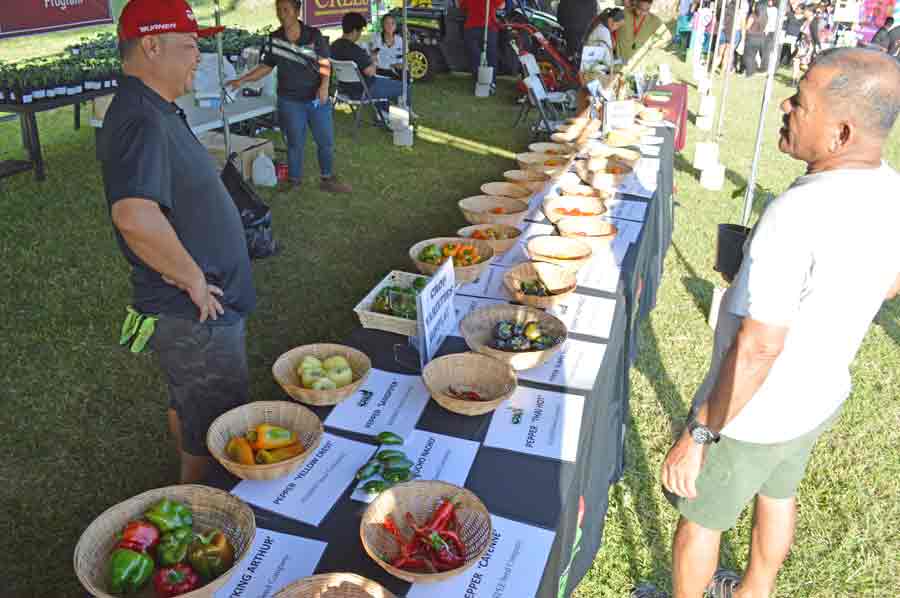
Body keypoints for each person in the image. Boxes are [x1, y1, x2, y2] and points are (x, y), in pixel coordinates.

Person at [656, 47, 900, 598]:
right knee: (778, 493)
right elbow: (888, 282)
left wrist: (700, 434)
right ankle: (753, 591)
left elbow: (759, 347)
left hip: (751, 413)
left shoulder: (795, 213)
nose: (785, 106)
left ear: (840, 133)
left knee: (699, 520)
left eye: (801, 101)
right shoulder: (891, 186)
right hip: (817, 396)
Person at [98, 0, 257, 484]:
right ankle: (204, 506)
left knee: (192, 407)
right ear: (151, 45)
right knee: (218, 431)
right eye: (189, 45)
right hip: (197, 313)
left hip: (195, 312)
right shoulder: (142, 118)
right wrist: (192, 278)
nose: (198, 57)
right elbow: (134, 215)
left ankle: (193, 489)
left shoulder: (151, 108)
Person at [228, 0, 351, 193]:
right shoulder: (275, 38)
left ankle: (327, 179)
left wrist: (324, 86)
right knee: (294, 143)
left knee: (325, 141)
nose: (281, 14)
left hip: (316, 98)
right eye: (278, 10)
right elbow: (266, 66)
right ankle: (294, 181)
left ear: (297, 11)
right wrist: (242, 80)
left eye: (286, 9)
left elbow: (325, 63)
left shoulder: (313, 35)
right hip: (290, 100)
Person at [331, 12, 410, 125]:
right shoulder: (354, 50)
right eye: (360, 31)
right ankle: (395, 117)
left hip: (343, 88)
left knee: (385, 81)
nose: (360, 35)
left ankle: (383, 113)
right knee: (404, 87)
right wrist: (373, 59)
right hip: (362, 90)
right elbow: (371, 72)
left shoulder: (334, 45)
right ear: (354, 31)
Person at [459, 0, 505, 93]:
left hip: (476, 27)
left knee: (477, 55)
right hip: (487, 27)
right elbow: (502, 6)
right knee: (489, 55)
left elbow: (462, 6)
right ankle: (489, 81)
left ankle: (480, 79)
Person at [618, 0, 672, 64]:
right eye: (640, 9)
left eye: (646, 10)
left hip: (636, 62)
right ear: (635, 4)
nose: (642, 13)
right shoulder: (624, 13)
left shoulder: (654, 20)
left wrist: (650, 45)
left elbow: (667, 37)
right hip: (619, 59)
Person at [370, 14, 405, 78]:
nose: (390, 26)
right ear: (383, 25)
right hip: (381, 71)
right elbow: (373, 57)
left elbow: (401, 56)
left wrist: (399, 64)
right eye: (387, 23)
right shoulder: (377, 38)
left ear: (395, 26)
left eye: (392, 23)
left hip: (396, 70)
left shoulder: (399, 39)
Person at [713, 0, 741, 73]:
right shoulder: (736, 11)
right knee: (726, 54)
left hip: (723, 31)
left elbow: (718, 19)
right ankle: (722, 71)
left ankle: (713, 69)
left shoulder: (723, 9)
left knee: (719, 54)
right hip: (731, 33)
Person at [743, 1, 768, 76]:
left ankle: (750, 72)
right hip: (761, 37)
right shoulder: (765, 16)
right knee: (755, 56)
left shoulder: (753, 15)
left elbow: (747, 27)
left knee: (749, 56)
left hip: (752, 37)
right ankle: (756, 70)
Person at [762, 0, 778, 71]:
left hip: (770, 31)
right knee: (763, 49)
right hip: (764, 30)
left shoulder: (774, 10)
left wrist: (767, 29)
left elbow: (771, 21)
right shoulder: (765, 8)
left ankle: (765, 67)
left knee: (767, 50)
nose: (769, 1)